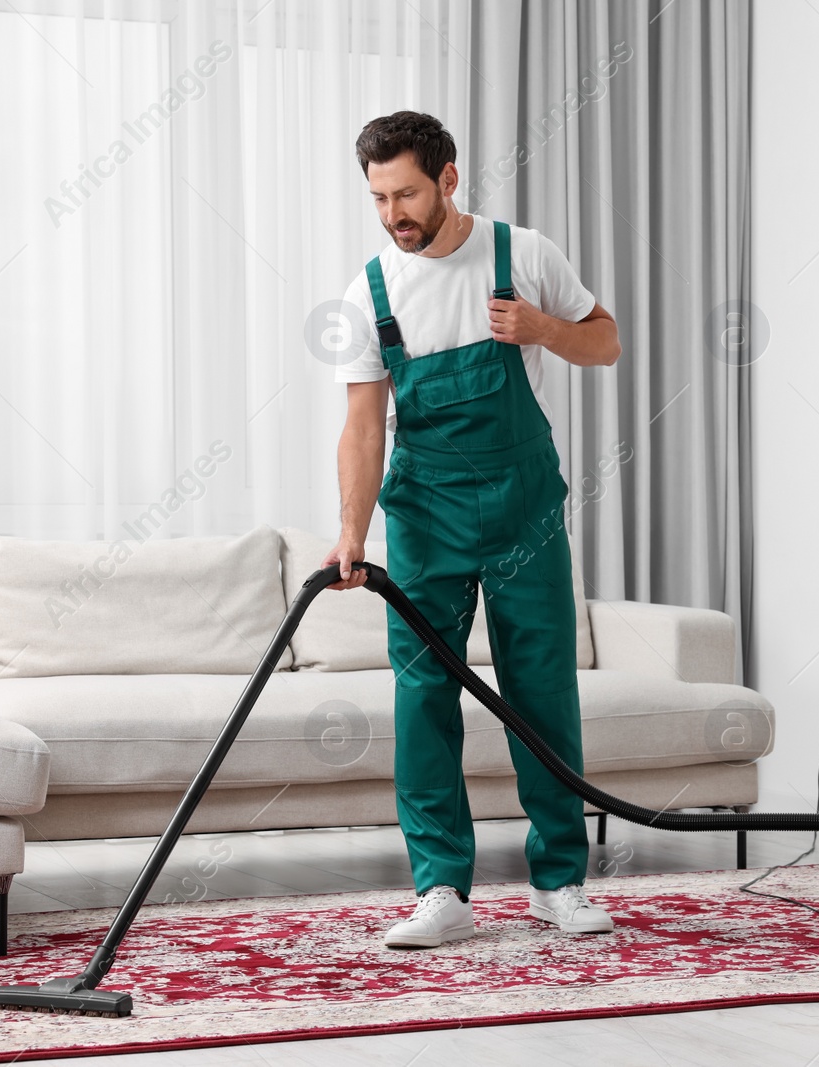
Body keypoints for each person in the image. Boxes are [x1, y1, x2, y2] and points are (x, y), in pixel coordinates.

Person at [323, 111, 621, 948]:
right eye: (379, 197)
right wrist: (353, 530)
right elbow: (362, 426)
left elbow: (607, 343)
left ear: (449, 178)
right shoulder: (370, 291)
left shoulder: (521, 254)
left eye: (407, 192)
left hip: (523, 506)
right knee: (423, 697)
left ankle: (558, 880)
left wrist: (542, 329)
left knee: (541, 687)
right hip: (424, 515)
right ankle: (441, 888)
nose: (393, 213)